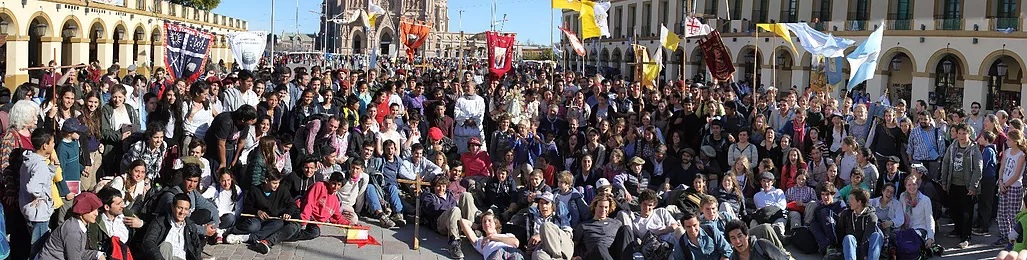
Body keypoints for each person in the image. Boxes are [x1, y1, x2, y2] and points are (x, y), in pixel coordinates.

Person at [224, 171, 299, 254]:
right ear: (266, 181)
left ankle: (248, 238)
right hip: (257, 219)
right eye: (274, 183)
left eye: (278, 183)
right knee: (253, 226)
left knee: (279, 224)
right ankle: (229, 231)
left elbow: (292, 204)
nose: (277, 185)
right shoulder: (255, 190)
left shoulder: (282, 190)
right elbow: (246, 207)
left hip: (272, 220)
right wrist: (257, 211)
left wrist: (288, 213)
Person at [940, 123, 983, 248]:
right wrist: (944, 181)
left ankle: (966, 237)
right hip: (953, 184)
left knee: (966, 213)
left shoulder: (974, 149)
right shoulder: (952, 147)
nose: (961, 136)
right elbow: (946, 163)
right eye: (959, 133)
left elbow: (978, 169)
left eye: (964, 133)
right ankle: (957, 230)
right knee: (955, 210)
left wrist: (973, 186)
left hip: (967, 186)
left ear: (969, 134)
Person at [421, 176, 480, 259]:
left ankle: (471, 231)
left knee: (466, 195)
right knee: (455, 209)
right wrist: (452, 209)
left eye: (443, 186)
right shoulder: (429, 196)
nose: (441, 189)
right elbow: (433, 208)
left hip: (456, 221)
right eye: (438, 186)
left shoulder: (449, 194)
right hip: (441, 223)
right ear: (434, 186)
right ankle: (454, 243)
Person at [21, 128, 57, 259]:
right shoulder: (40, 165)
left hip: (29, 210)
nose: (54, 144)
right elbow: (33, 187)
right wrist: (40, 196)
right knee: (39, 250)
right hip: (39, 214)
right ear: (45, 146)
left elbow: (42, 179)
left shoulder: (30, 160)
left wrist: (52, 167)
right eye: (52, 142)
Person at [136, 193, 207, 259]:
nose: (182, 212)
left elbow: (196, 248)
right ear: (172, 207)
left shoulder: (190, 227)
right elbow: (148, 242)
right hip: (162, 257)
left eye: (186, 209)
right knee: (166, 246)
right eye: (179, 207)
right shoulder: (160, 222)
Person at [36, 192, 103, 260]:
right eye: (92, 210)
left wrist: (97, 255)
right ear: (82, 211)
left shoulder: (77, 225)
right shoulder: (73, 231)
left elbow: (79, 252)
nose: (96, 214)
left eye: (97, 209)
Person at [572, 194, 635, 260]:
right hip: (594, 255)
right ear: (595, 206)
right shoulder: (584, 226)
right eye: (601, 206)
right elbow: (575, 244)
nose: (603, 210)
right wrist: (574, 257)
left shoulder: (617, 223)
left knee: (626, 228)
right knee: (599, 246)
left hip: (612, 254)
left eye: (606, 207)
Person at [204, 104, 258, 172]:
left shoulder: (246, 125)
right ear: (243, 120)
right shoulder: (226, 122)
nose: (254, 121)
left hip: (230, 148)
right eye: (252, 120)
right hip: (215, 150)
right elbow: (220, 144)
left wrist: (235, 159)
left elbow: (241, 142)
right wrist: (223, 163)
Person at [998, 129, 1027, 246]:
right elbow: (1002, 167)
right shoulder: (1007, 152)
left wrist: (1006, 185)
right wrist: (1000, 181)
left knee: (1013, 214)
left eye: (1009, 140)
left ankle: (1014, 238)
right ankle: (1005, 235)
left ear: (1016, 141)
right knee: (1002, 213)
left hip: (1014, 187)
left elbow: (1016, 175)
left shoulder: (1021, 155)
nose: (1007, 142)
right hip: (1003, 184)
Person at [525, 191, 574, 259]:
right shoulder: (533, 218)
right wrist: (530, 247)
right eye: (541, 203)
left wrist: (542, 235)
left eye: (547, 203)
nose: (543, 206)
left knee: (545, 226)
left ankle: (557, 257)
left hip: (562, 247)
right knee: (537, 255)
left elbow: (567, 234)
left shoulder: (559, 215)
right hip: (543, 249)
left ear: (552, 205)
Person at [455, 211, 522, 259]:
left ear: (495, 224)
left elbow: (516, 243)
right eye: (484, 222)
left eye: (489, 221)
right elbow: (463, 221)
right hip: (494, 254)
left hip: (511, 252)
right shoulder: (480, 241)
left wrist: (491, 237)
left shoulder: (507, 235)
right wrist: (478, 226)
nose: (487, 223)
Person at [839, 188, 882, 260]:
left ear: (859, 202)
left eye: (851, 199)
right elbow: (840, 231)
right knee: (848, 237)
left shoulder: (871, 217)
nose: (849, 201)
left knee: (877, 235)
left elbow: (866, 238)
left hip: (867, 250)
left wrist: (864, 255)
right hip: (851, 249)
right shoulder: (846, 214)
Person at [201, 170, 243, 243]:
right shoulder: (215, 188)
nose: (226, 183)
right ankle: (216, 232)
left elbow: (238, 210)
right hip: (215, 218)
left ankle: (218, 232)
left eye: (228, 180)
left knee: (231, 218)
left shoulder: (237, 190)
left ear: (231, 178)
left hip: (227, 219)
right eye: (223, 181)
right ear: (219, 180)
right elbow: (202, 198)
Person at [724, 219, 790, 260]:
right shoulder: (733, 258)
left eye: (740, 236)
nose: (738, 241)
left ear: (746, 236)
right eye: (733, 238)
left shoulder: (762, 246)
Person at [810, 182, 845, 254]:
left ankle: (832, 246)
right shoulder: (819, 209)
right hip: (825, 238)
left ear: (833, 194)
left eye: (827, 194)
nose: (825, 197)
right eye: (823, 194)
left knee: (825, 212)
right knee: (813, 224)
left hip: (838, 235)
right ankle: (828, 248)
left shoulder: (839, 204)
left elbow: (844, 222)